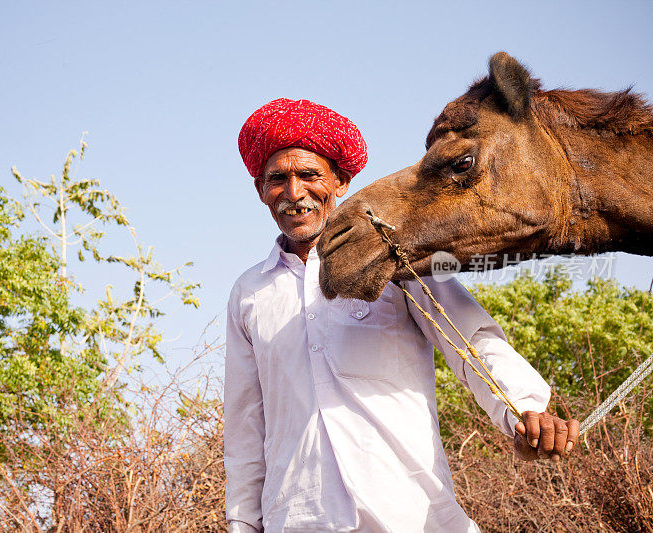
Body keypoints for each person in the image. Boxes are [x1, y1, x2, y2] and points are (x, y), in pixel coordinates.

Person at [225, 98, 579, 532]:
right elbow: (245, 424)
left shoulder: (392, 257)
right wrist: (242, 524)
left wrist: (522, 409)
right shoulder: (249, 292)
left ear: (340, 182)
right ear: (261, 190)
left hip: (410, 511)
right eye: (277, 178)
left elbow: (470, 340)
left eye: (309, 175)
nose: (294, 193)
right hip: (299, 517)